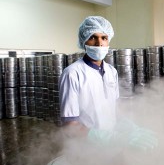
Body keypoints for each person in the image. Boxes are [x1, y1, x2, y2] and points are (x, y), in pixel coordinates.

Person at [59, 16, 157, 151]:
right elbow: (70, 126)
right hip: (86, 149)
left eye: (104, 38)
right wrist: (107, 138)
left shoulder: (111, 72)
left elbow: (115, 110)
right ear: (84, 41)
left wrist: (133, 129)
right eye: (93, 37)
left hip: (112, 147)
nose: (99, 43)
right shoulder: (72, 73)